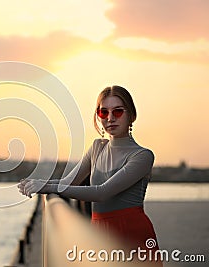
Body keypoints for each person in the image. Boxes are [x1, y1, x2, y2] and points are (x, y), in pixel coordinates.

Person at [18, 85, 162, 265]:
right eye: (103, 112)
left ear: (131, 115)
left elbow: (102, 192)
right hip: (98, 229)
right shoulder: (97, 148)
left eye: (118, 112)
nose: (110, 118)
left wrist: (47, 187)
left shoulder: (142, 156)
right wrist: (38, 182)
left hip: (131, 233)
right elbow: (69, 182)